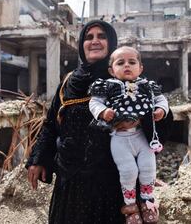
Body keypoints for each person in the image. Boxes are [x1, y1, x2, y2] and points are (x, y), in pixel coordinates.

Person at [26, 20, 125, 223]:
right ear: (82, 45)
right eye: (89, 37)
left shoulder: (123, 79)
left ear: (111, 43)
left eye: (101, 36)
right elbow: (51, 124)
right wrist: (38, 158)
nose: (94, 41)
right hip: (70, 181)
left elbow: (152, 117)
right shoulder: (69, 82)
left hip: (109, 181)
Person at [89, 46, 170, 224]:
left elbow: (161, 99)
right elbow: (94, 102)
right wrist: (103, 112)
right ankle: (131, 208)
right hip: (119, 139)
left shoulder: (147, 86)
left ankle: (148, 202)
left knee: (148, 169)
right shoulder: (108, 86)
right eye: (121, 63)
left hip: (142, 137)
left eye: (132, 62)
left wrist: (161, 110)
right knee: (128, 172)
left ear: (140, 68)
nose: (127, 65)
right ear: (112, 70)